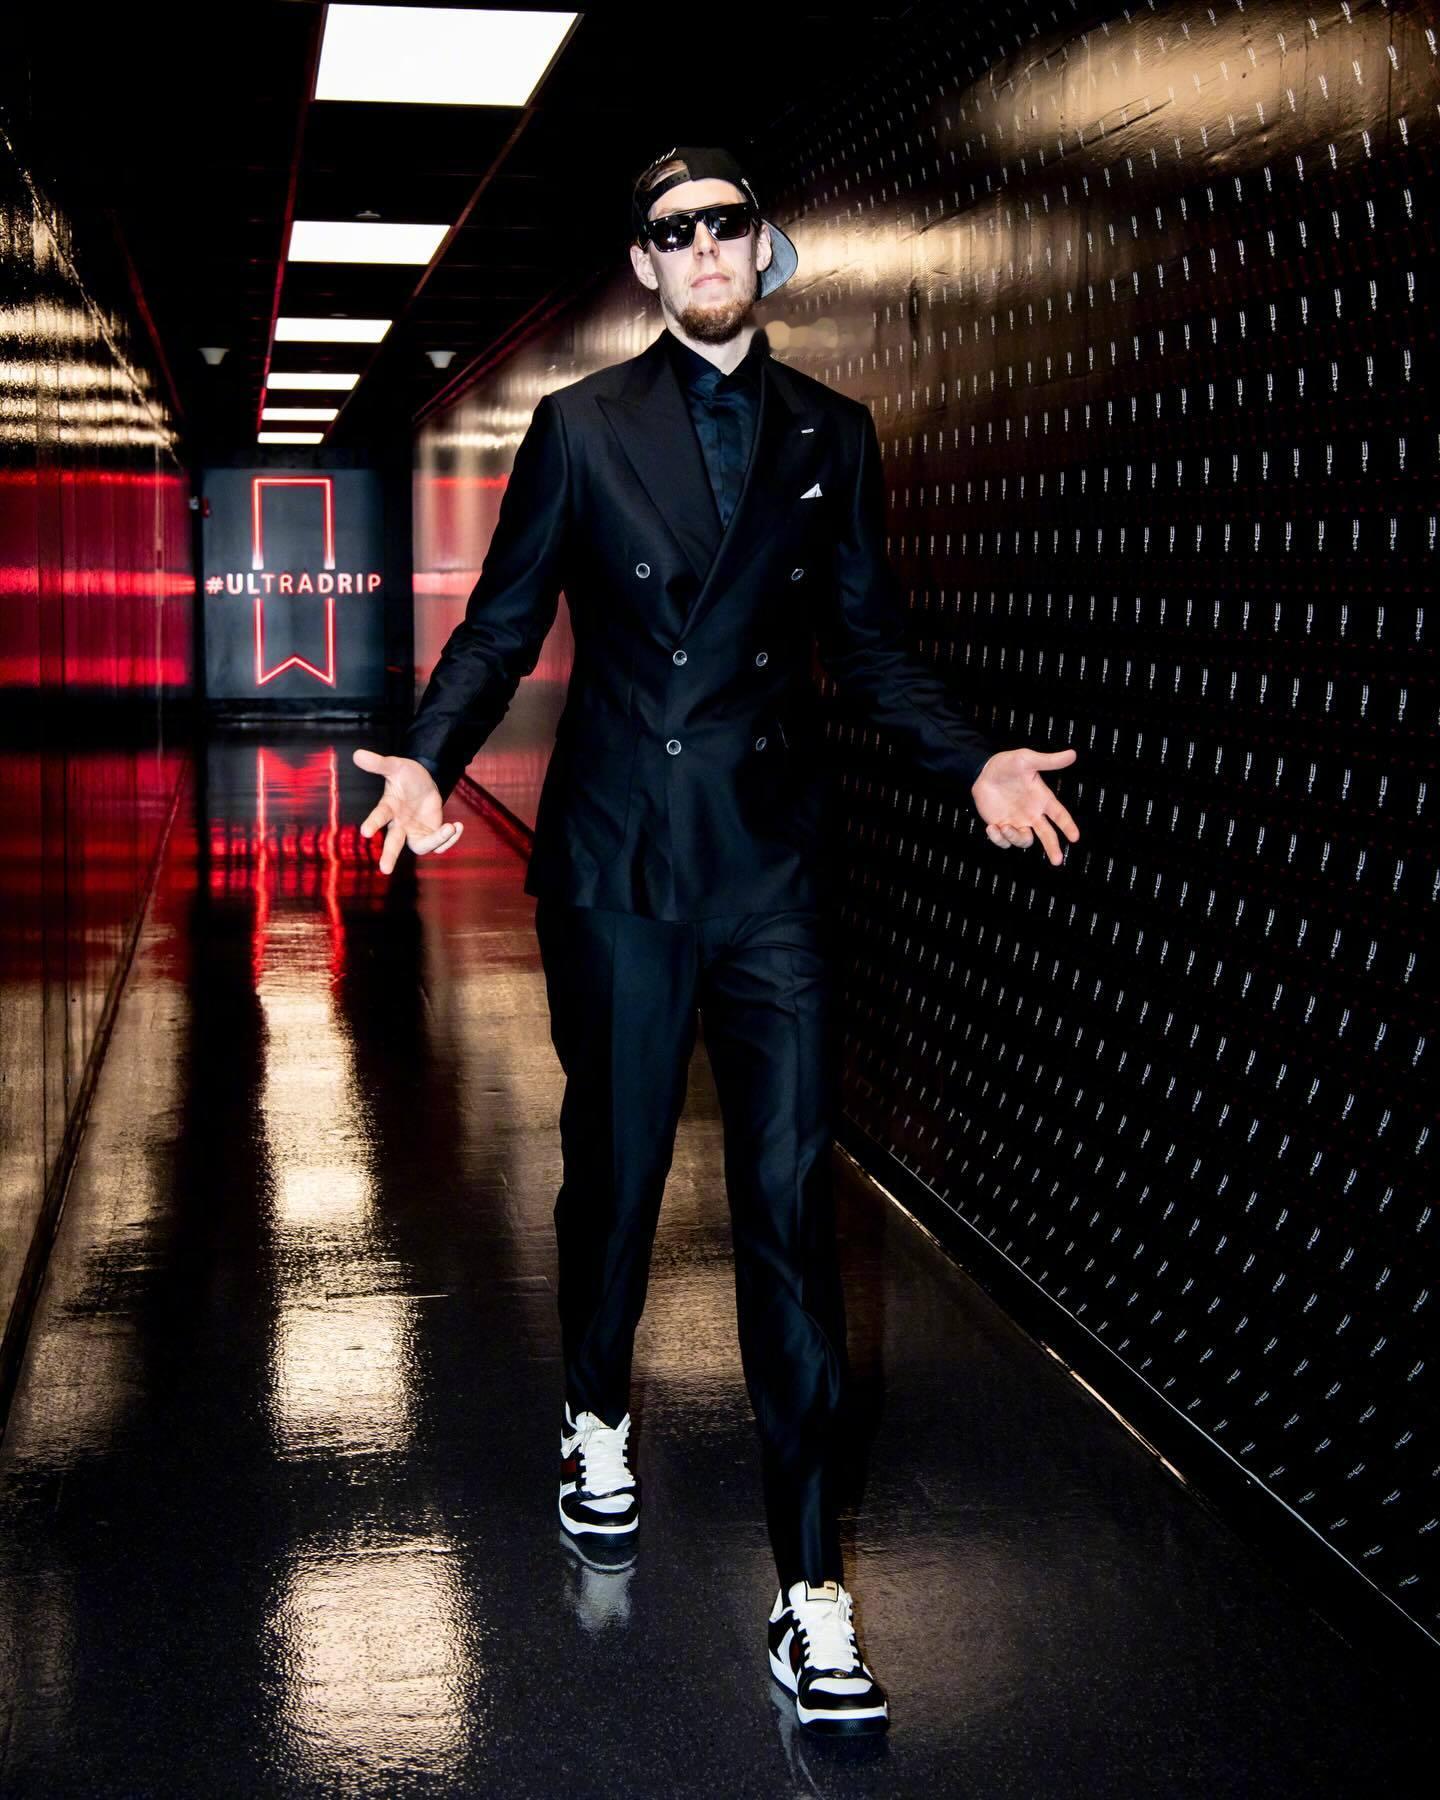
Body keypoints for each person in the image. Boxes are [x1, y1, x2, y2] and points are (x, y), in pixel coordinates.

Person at [354, 145, 1080, 1735]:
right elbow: (503, 618)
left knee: (788, 1214)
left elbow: (868, 643)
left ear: (762, 248)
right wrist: (430, 754)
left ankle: (811, 1591)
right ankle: (595, 1410)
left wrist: (971, 760)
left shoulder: (834, 430)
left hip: (769, 871)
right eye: (671, 232)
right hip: (619, 862)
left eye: (723, 225)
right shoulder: (578, 427)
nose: (700, 248)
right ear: (644, 265)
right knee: (615, 1174)